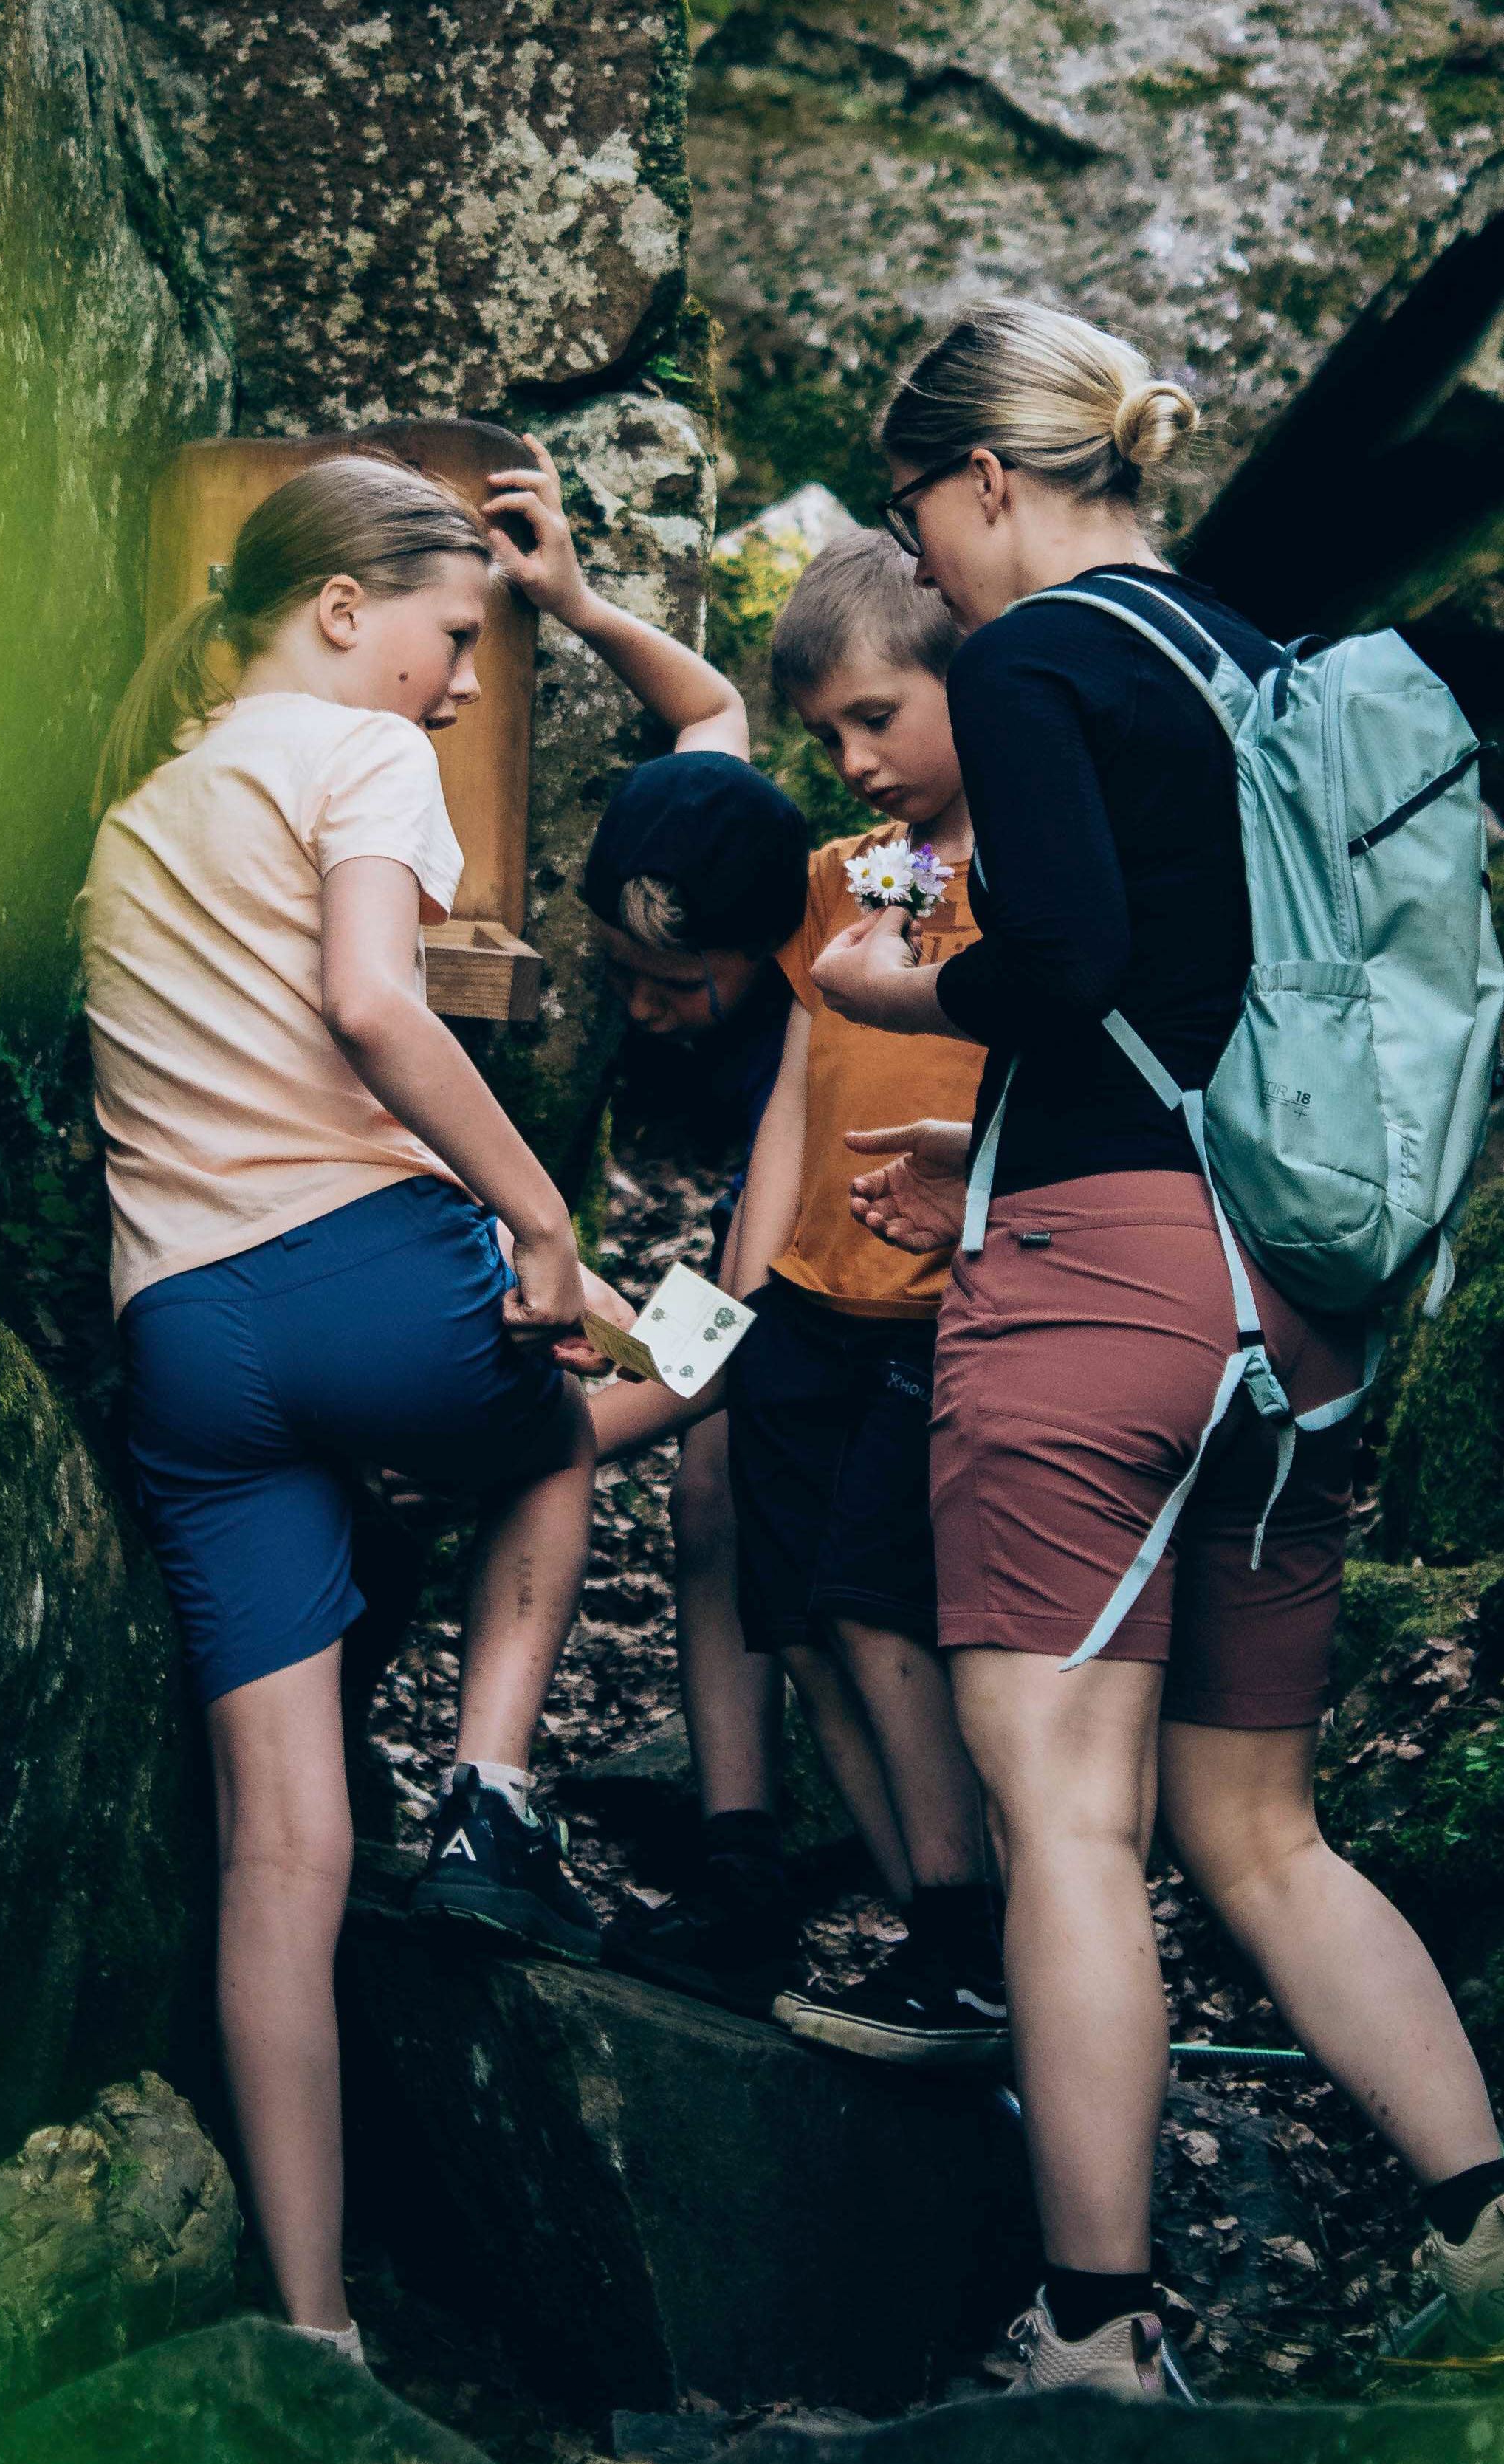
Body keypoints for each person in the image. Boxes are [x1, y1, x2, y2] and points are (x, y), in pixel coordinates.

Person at [814, 302, 1504, 2395]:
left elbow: (1070, 955)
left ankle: (1095, 2330)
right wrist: (991, 1134)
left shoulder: (1032, 659)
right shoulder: (1255, 663)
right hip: (1294, 1310)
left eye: (918, 509)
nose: (928, 563)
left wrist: (898, 995)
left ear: (986, 478)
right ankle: (1497, 2235)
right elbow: (1197, 991)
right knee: (1261, 1828)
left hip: (1103, 1302)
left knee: (1071, 1823)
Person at [80, 454, 617, 2362]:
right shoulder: (361, 751)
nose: (461, 686)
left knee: (279, 1847)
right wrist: (541, 1221)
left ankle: (312, 2325)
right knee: (560, 1436)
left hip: (188, 1338)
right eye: (452, 636)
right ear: (336, 611)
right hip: (368, 1278)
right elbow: (380, 1006)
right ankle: (491, 1799)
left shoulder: (138, 814)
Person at [481, 445, 916, 2011]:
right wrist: (578, 604)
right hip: (756, 1228)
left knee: (726, 1482)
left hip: (834, 1229)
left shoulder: (829, 947)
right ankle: (742, 1845)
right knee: (709, 1493)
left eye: (679, 987)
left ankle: (772, 1861)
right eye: (623, 979)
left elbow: (722, 1334)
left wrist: (537, 1440)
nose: (649, 1012)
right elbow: (709, 714)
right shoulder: (723, 839)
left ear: (761, 946)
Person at [718, 532, 1003, 2062]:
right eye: (828, 734)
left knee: (875, 1605)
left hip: (943, 1313)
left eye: (877, 718)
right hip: (808, 1305)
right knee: (805, 1627)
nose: (853, 760)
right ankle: (933, 1946)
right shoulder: (845, 877)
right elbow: (797, 1089)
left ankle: (968, 1931)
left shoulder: (1031, 873)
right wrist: (741, 1297)